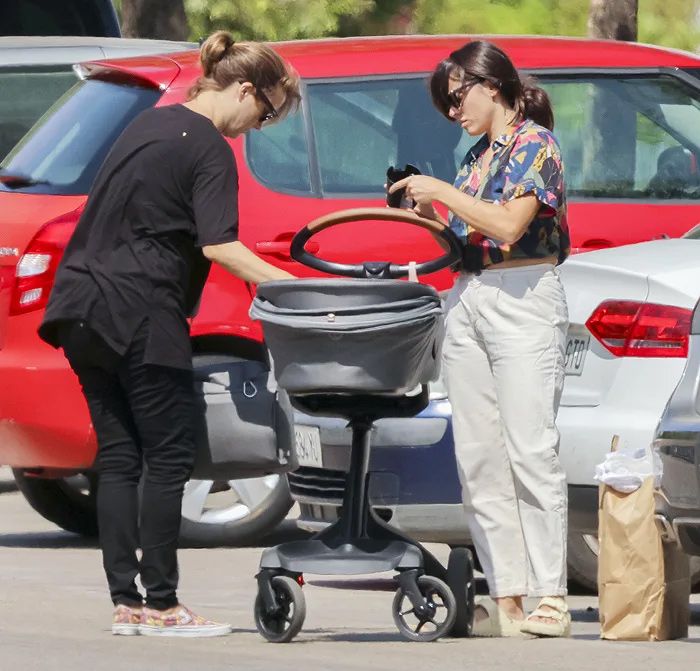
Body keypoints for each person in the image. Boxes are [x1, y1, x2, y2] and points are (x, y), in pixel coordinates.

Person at [38, 31, 300, 637]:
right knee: (169, 457)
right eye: (263, 111)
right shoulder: (207, 148)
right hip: (139, 312)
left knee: (121, 456)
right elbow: (220, 245)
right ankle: (162, 605)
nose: (255, 126)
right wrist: (293, 287)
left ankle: (127, 604)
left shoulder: (148, 125)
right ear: (242, 89)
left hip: (80, 308)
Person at [388, 40, 570, 638]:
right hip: (469, 297)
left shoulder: (534, 144)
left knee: (530, 450)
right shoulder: (478, 156)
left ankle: (551, 596)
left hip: (522, 298)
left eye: (456, 97)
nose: (452, 112)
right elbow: (466, 230)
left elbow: (510, 225)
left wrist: (441, 190)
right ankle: (509, 596)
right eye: (445, 104)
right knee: (479, 457)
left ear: (491, 85)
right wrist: (423, 208)